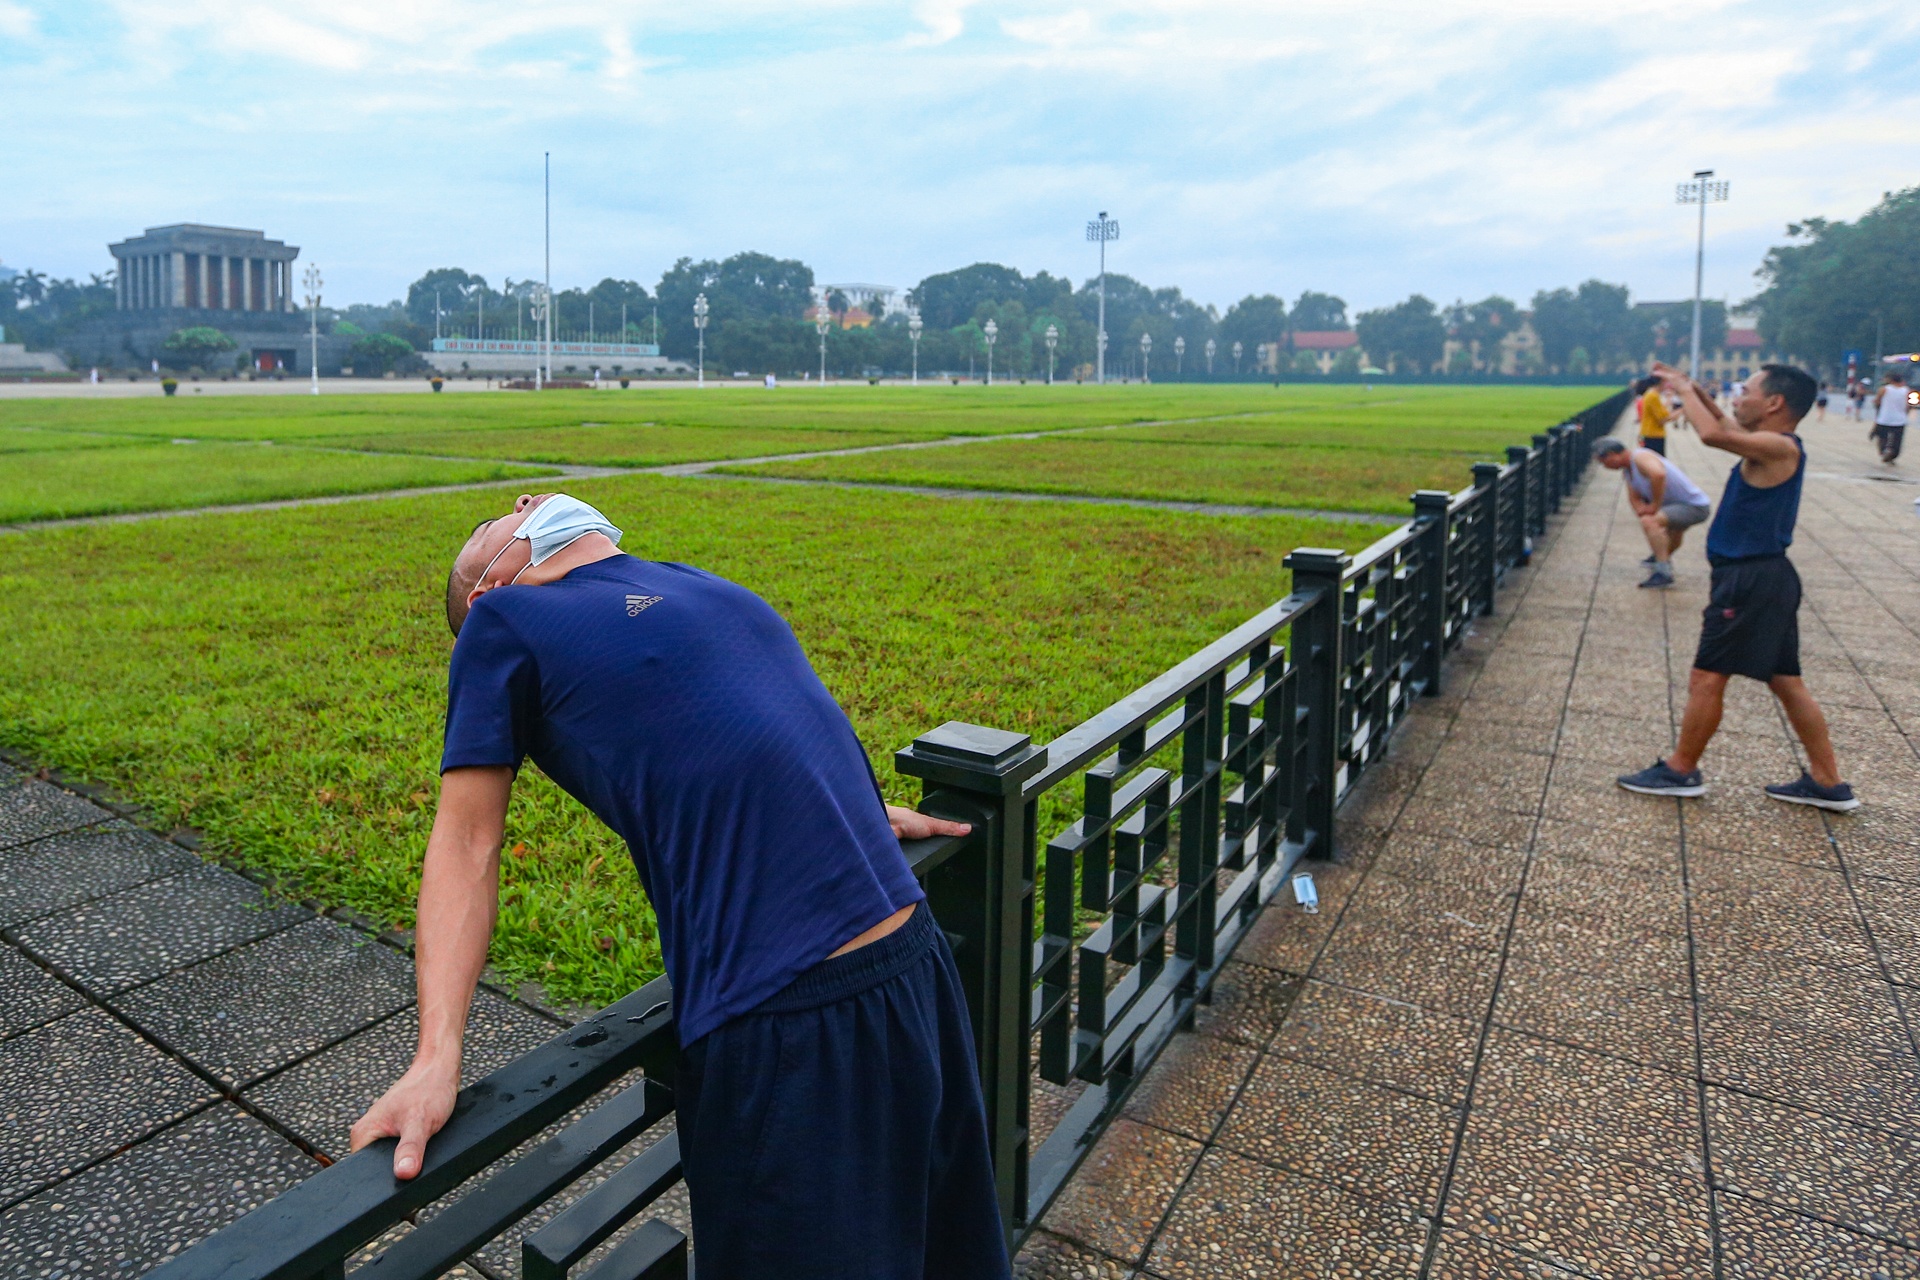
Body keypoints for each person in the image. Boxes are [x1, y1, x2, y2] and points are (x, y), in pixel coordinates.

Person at [349, 493, 1011, 1279]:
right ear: (489, 586)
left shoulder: (685, 578)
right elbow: (466, 840)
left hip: (914, 968)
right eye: (495, 522)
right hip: (785, 1017)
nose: (526, 500)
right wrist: (437, 1055)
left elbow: (767, 705)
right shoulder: (504, 624)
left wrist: (851, 804)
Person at [1617, 363, 1858, 811]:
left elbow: (1713, 436)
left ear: (1773, 403)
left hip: (1749, 581)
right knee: (1786, 682)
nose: (1735, 398)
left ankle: (1681, 769)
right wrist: (1698, 396)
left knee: (1708, 674)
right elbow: (1725, 426)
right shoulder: (1771, 444)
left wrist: (1684, 389)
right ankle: (1828, 782)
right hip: (1765, 578)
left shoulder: (1777, 446)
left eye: (1745, 391)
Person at [1594, 437, 1711, 588]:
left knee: (1651, 522)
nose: (1604, 466)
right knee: (1672, 531)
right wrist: (1640, 510)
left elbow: (1658, 474)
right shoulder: (1628, 470)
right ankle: (1661, 556)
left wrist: (1655, 504)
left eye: (1603, 462)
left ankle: (1663, 571)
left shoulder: (1640, 457)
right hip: (1680, 505)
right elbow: (1634, 497)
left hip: (1694, 506)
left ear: (1611, 454)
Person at [1873, 371, 1910, 463]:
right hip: (1900, 420)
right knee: (1897, 440)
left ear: (1890, 380)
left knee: (1882, 438)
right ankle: (1893, 454)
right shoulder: (1906, 390)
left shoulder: (1884, 389)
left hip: (1884, 418)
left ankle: (1884, 451)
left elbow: (1877, 401)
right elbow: (1908, 406)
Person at [1634, 375, 1672, 455]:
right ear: (1660, 383)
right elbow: (1662, 419)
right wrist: (1681, 410)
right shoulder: (1653, 396)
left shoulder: (1652, 395)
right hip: (1653, 436)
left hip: (1650, 434)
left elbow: (1660, 411)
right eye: (1666, 382)